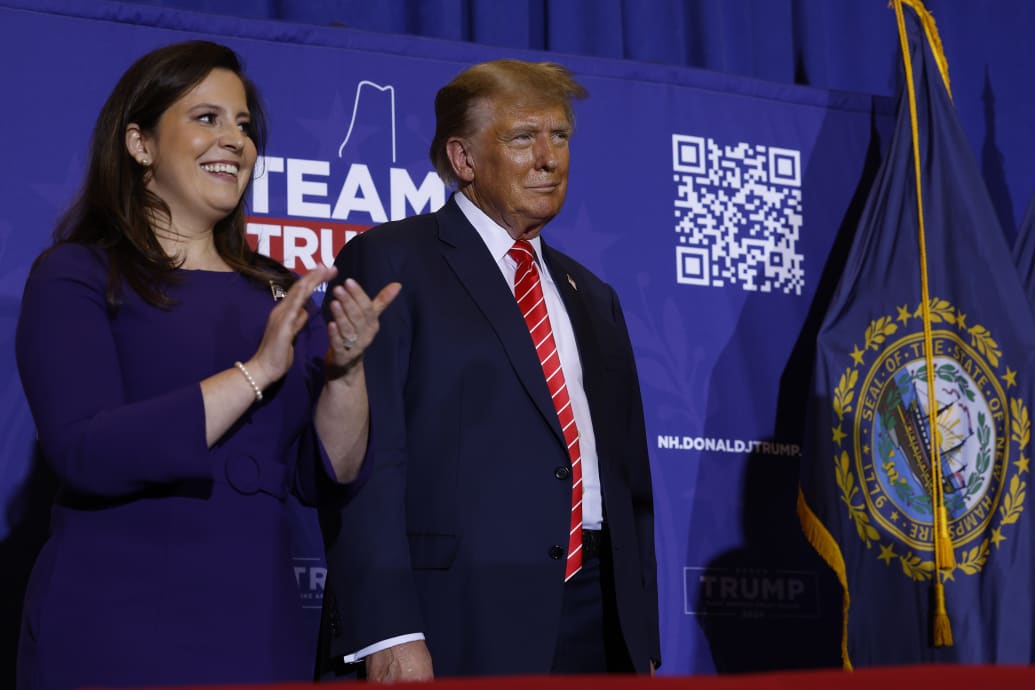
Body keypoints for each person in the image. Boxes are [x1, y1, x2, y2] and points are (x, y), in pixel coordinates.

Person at [14, 41, 399, 689]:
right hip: (112, 625)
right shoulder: (77, 274)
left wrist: (346, 369)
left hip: (258, 628)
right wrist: (257, 370)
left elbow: (327, 474)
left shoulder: (283, 292)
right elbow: (86, 450)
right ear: (139, 144)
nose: (234, 140)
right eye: (206, 118)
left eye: (243, 125)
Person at [318, 59, 660, 680]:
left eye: (559, 136)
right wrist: (388, 629)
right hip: (455, 615)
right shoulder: (392, 260)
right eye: (522, 137)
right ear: (464, 158)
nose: (549, 157)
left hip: (599, 618)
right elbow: (368, 462)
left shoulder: (594, 294)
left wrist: (641, 634)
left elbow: (630, 484)